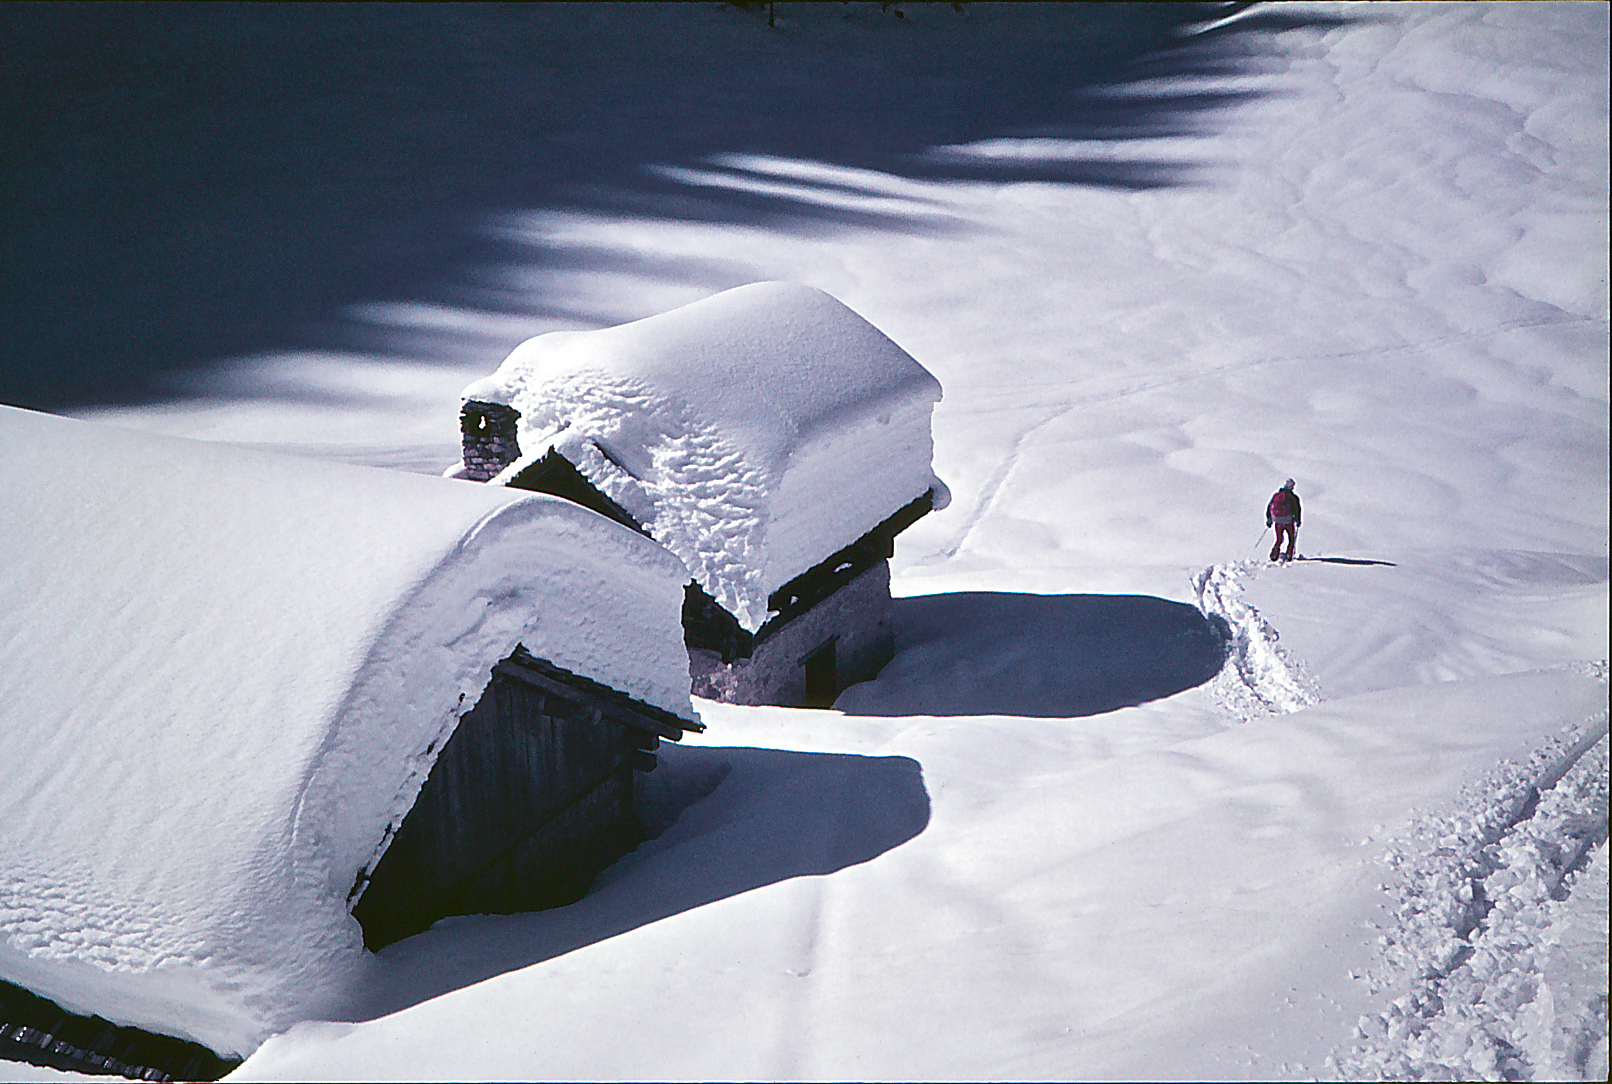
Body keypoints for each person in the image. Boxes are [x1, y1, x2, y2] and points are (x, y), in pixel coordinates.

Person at [1267, 478, 1301, 562]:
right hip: (1289, 521)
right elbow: (1297, 509)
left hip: (1278, 521)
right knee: (1291, 538)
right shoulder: (1293, 497)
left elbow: (1269, 507)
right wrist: (1297, 520)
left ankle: (1274, 555)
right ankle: (1289, 555)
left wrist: (1269, 519)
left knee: (1279, 539)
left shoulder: (1276, 495)